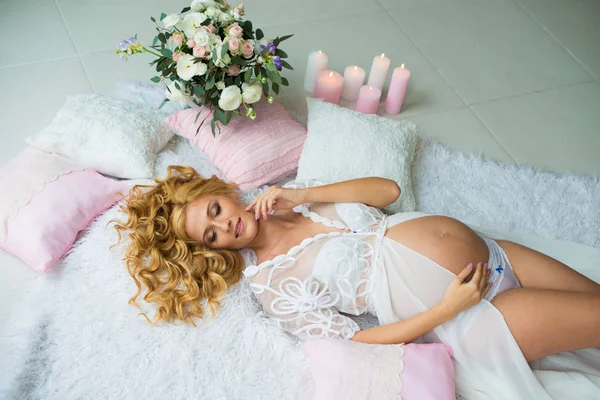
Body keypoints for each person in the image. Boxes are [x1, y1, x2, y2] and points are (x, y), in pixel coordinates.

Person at [113, 165, 600, 399]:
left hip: (495, 253)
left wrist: (304, 192)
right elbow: (359, 339)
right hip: (474, 314)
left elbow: (386, 191)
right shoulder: (273, 286)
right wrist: (446, 310)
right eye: (211, 236)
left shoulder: (296, 201)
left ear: (223, 192)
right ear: (213, 250)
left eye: (215, 212)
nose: (225, 228)